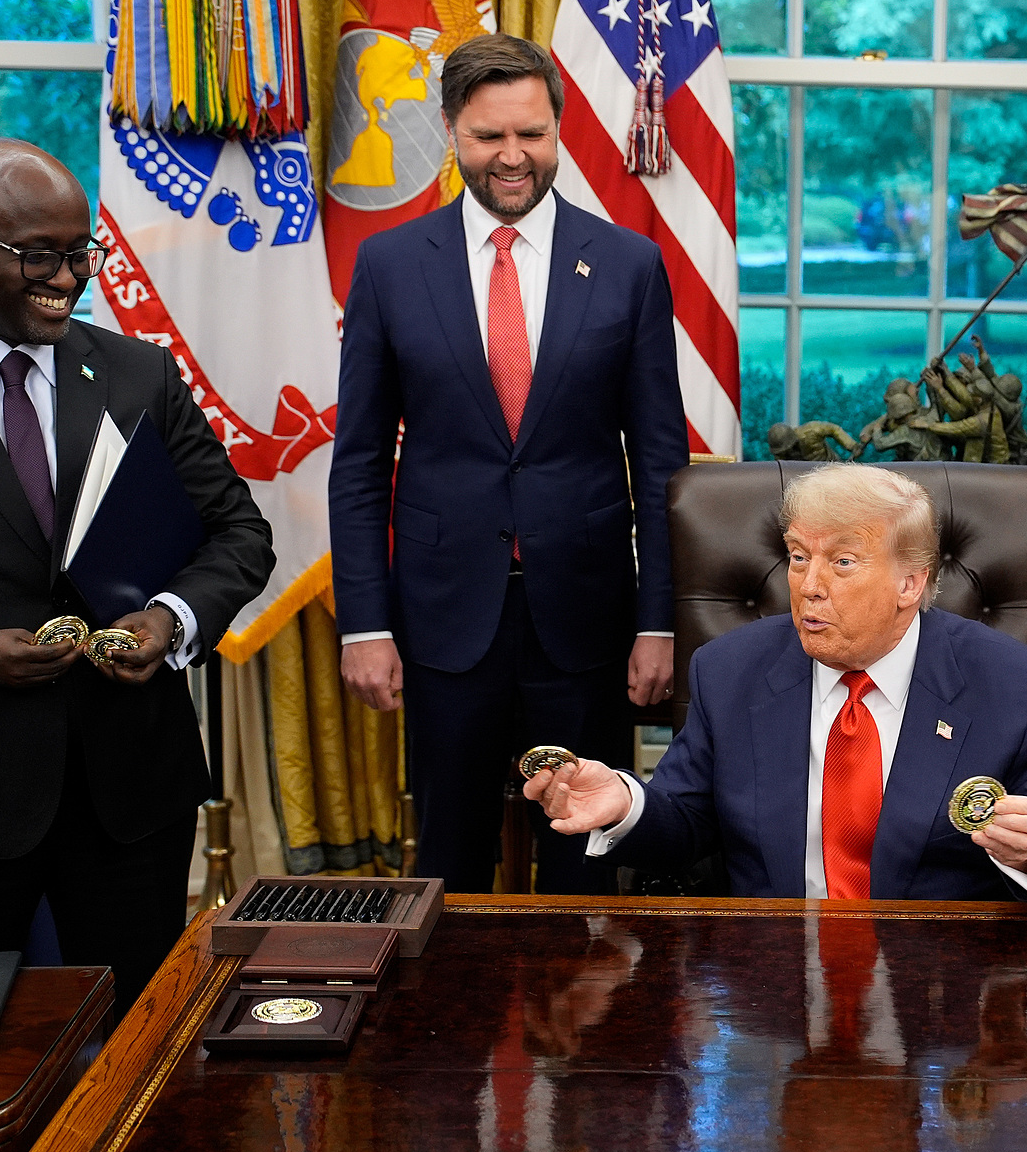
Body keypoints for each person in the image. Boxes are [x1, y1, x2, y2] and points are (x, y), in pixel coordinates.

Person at [0, 139, 274, 1007]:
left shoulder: (136, 372)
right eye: (39, 253)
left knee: (139, 1055)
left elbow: (238, 533)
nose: (69, 276)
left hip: (128, 800)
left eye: (82, 251)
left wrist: (170, 620)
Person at [330, 34, 685, 896]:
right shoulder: (388, 265)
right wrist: (364, 625)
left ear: (559, 128)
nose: (513, 156)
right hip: (443, 620)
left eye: (531, 133)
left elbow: (661, 459)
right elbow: (362, 460)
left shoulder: (631, 265)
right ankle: (450, 1035)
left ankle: (580, 1031)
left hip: (586, 620)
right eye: (489, 136)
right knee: (449, 867)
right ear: (451, 129)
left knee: (583, 861)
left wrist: (659, 620)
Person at [521, 464, 1027, 907]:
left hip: (937, 996)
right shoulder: (731, 670)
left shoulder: (1014, 685)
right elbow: (685, 821)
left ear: (911, 583)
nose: (808, 584)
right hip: (770, 988)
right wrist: (625, 804)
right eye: (799, 557)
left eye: (843, 562)